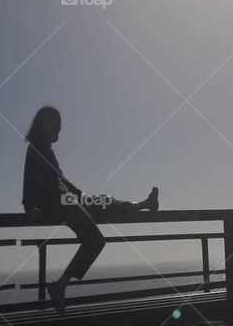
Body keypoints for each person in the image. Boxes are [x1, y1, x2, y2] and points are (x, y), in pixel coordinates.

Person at [22, 105, 159, 315]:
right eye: (54, 122)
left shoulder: (44, 147)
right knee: (95, 240)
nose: (57, 127)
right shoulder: (37, 147)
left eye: (57, 123)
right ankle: (60, 285)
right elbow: (31, 179)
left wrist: (80, 194)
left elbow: (59, 179)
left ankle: (143, 204)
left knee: (106, 201)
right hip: (59, 204)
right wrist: (29, 206)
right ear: (43, 122)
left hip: (66, 199)